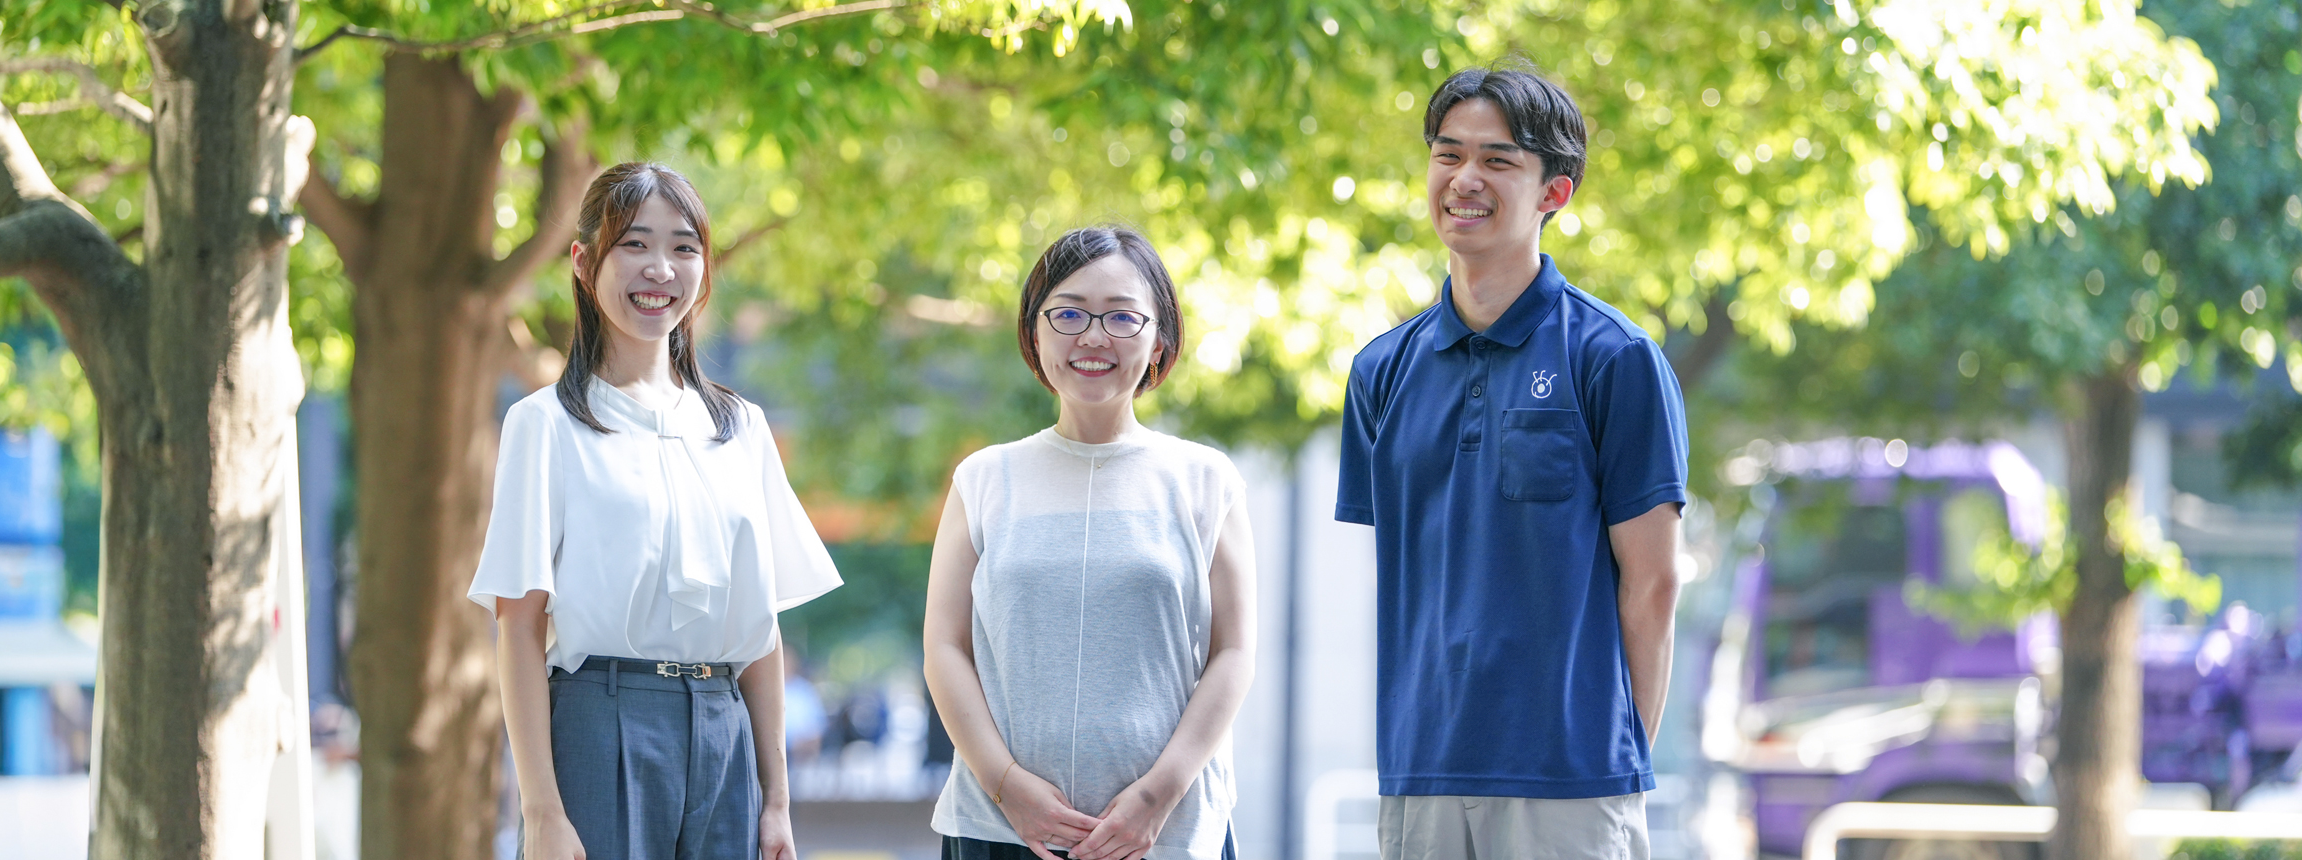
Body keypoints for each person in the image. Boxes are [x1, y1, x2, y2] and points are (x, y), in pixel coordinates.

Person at [1335, 62, 1687, 860]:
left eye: (1498, 160)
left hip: (1568, 781)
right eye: (1447, 153)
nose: (1464, 179)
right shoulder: (1379, 371)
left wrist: (1613, 755)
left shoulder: (1615, 358)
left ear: (1553, 193)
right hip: (1418, 771)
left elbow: (1655, 581)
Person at [469, 162, 843, 860]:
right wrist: (542, 812)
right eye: (634, 244)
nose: (660, 269)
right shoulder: (543, 425)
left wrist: (778, 800)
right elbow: (518, 628)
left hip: (723, 731)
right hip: (598, 721)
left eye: (683, 246)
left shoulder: (742, 428)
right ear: (584, 264)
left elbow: (759, 628)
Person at [925, 227, 1257, 860]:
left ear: (1160, 339)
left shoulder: (1205, 480)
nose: (1094, 337)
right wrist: (1006, 788)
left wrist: (1156, 798)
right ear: (1035, 332)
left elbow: (1235, 652)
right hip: (1000, 829)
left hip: (1164, 833)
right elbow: (945, 646)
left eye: (1122, 317)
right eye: (1069, 313)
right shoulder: (984, 478)